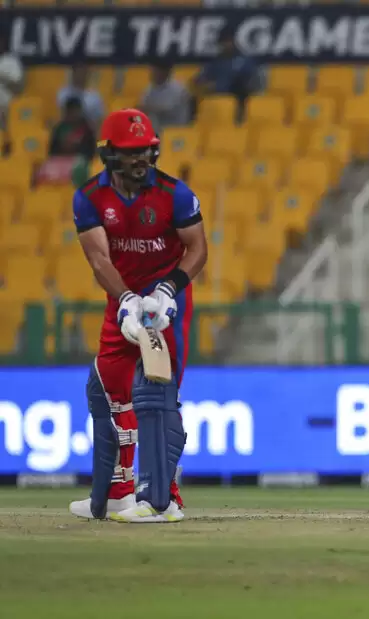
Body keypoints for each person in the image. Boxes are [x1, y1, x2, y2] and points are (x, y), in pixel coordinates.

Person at [68, 109, 208, 524]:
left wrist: (167, 290)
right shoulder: (90, 198)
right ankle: (116, 494)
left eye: (145, 150)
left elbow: (198, 249)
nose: (140, 158)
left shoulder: (174, 194)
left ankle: (163, 500)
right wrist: (127, 298)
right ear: (109, 154)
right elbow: (99, 260)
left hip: (165, 308)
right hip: (123, 302)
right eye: (131, 152)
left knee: (155, 393)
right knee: (106, 389)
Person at [139, 63, 192, 132]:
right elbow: (143, 106)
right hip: (158, 129)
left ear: (166, 72)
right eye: (152, 70)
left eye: (156, 70)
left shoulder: (178, 88)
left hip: (176, 129)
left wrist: (148, 108)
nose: (153, 73)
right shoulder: (149, 88)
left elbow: (168, 108)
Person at [57, 64, 104, 128]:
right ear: (73, 72)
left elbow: (98, 122)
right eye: (78, 70)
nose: (80, 74)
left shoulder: (95, 97)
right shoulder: (63, 93)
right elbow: (61, 117)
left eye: (83, 71)